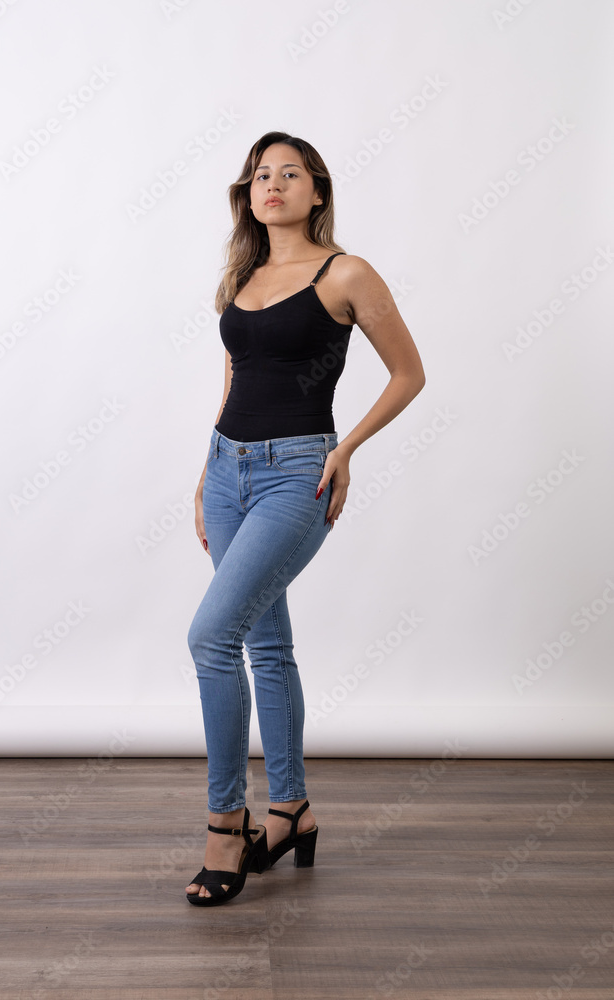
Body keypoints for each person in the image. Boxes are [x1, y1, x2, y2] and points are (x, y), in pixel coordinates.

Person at [185, 130, 426, 905]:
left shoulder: (345, 272)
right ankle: (291, 811)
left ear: (316, 191)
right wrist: (206, 473)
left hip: (298, 472)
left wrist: (345, 448)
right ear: (248, 192)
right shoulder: (241, 275)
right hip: (227, 469)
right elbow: (234, 376)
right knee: (264, 642)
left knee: (210, 636)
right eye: (262, 174)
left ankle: (227, 825)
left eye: (290, 174)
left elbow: (408, 373)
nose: (273, 185)